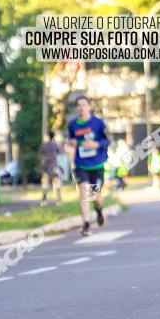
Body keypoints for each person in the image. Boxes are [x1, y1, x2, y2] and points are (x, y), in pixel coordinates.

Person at [65, 96, 109, 236]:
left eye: (84, 105)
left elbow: (108, 140)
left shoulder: (99, 123)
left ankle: (98, 210)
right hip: (81, 164)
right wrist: (70, 144)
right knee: (84, 194)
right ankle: (86, 224)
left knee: (95, 196)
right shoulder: (73, 124)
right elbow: (71, 139)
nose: (81, 107)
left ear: (89, 107)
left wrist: (96, 144)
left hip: (97, 164)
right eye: (78, 105)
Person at [38, 131, 62, 206]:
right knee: (56, 184)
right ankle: (58, 201)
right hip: (54, 167)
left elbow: (39, 155)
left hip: (45, 167)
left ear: (47, 136)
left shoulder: (43, 145)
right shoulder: (55, 144)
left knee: (45, 184)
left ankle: (44, 201)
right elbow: (59, 151)